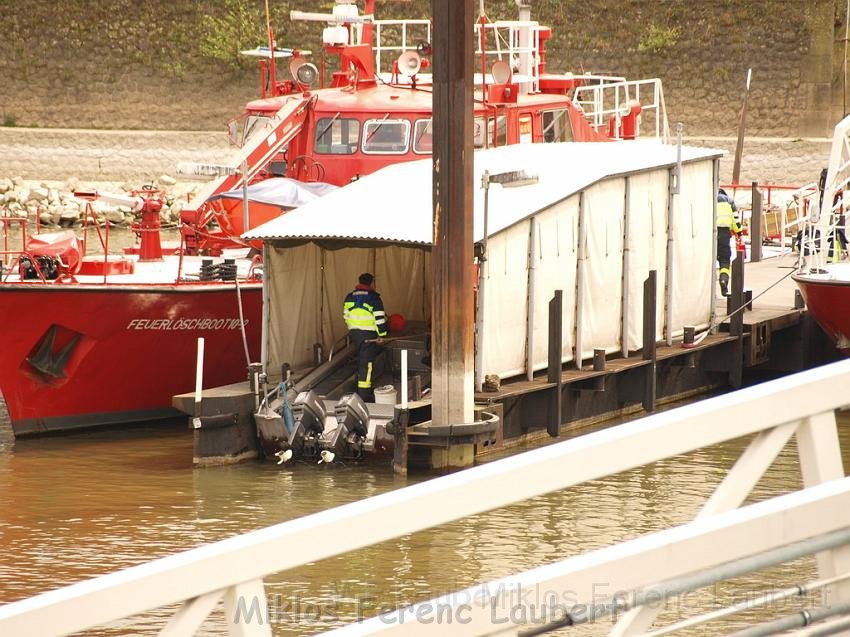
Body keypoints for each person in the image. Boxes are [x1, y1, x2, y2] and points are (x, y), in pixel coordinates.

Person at [343, 273, 387, 402]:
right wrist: (382, 335)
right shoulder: (374, 298)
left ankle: (359, 388)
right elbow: (379, 319)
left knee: (360, 360)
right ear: (371, 283)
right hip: (369, 335)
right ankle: (364, 395)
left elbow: (346, 316)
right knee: (366, 364)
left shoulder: (349, 297)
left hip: (355, 334)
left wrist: (353, 329)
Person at [716, 189, 741, 297]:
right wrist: (739, 233)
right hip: (724, 234)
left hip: (709, 234)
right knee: (724, 260)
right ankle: (723, 280)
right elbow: (736, 220)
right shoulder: (730, 201)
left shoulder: (710, 198)